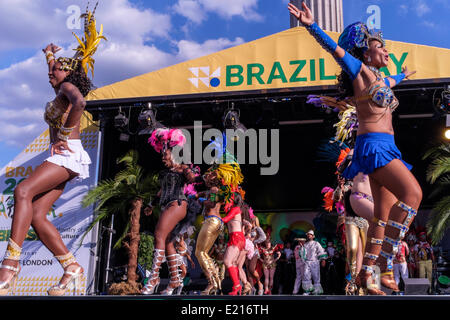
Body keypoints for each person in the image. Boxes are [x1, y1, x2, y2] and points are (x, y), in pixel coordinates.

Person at [288, 2, 422, 295]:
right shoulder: (359, 70)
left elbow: (392, 81)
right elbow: (333, 50)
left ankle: (366, 276)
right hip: (374, 148)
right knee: (412, 194)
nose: (386, 52)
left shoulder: (381, 79)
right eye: (380, 47)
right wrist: (312, 26)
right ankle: (385, 265)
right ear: (365, 51)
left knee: (380, 218)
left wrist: (403, 77)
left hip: (388, 148)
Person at [0, 6, 106, 296]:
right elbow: (57, 72)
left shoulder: (68, 87)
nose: (50, 73)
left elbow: (81, 103)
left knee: (22, 191)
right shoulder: (60, 85)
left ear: (68, 71)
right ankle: (72, 266)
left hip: (67, 152)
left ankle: (9, 264)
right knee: (36, 214)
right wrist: (48, 53)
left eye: (55, 69)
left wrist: (61, 134)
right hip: (64, 155)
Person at [141, 128, 199, 295]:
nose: (163, 157)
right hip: (167, 205)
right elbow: (161, 192)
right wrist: (151, 204)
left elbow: (192, 179)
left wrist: (199, 176)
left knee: (158, 234)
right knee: (167, 242)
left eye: (165, 154)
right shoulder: (165, 173)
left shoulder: (182, 168)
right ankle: (175, 280)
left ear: (174, 154)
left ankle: (154, 278)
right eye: (162, 155)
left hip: (178, 204)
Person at [194, 175, 224, 295]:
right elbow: (202, 193)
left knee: (199, 252)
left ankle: (211, 282)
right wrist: (195, 195)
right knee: (204, 253)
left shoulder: (214, 190)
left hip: (212, 220)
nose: (204, 179)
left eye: (207, 177)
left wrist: (201, 200)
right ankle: (216, 282)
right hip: (216, 222)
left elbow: (211, 204)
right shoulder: (211, 191)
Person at [301, 230, 328, 295]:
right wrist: (301, 246)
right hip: (307, 262)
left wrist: (323, 260)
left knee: (316, 277)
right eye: (308, 234)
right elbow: (302, 253)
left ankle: (316, 291)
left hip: (315, 262)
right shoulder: (305, 244)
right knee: (306, 275)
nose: (308, 235)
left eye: (310, 234)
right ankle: (307, 291)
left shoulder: (316, 243)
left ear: (313, 236)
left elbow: (321, 251)